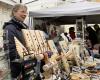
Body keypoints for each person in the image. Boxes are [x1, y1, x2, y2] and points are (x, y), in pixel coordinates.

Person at [3, 4, 28, 80]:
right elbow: (11, 52)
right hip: (16, 70)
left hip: (25, 67)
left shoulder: (22, 27)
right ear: (14, 12)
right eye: (22, 12)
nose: (25, 14)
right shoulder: (9, 28)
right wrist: (26, 59)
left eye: (26, 12)